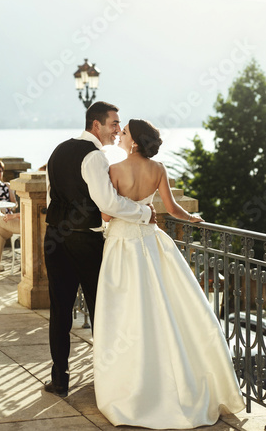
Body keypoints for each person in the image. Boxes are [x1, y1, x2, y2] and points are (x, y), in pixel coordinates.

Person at [93, 119, 245, 429]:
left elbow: (107, 213)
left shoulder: (115, 171)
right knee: (165, 307)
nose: (120, 135)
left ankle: (133, 385)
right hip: (152, 241)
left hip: (122, 244)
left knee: (126, 311)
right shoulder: (158, 168)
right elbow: (173, 209)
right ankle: (177, 380)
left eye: (124, 133)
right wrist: (193, 218)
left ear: (134, 142)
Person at [44, 101, 156, 398]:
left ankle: (59, 380)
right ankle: (109, 381)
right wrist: (144, 213)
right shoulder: (94, 157)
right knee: (101, 310)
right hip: (85, 242)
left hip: (54, 238)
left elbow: (52, 194)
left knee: (60, 310)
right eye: (113, 124)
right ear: (97, 125)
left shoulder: (58, 150)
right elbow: (108, 204)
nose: (117, 129)